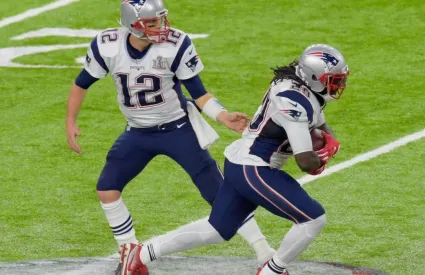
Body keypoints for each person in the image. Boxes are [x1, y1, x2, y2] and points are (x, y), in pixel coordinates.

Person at [65, 0, 276, 274]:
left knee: (219, 193)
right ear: (133, 24)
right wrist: (70, 121)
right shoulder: (108, 45)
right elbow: (82, 82)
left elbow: (198, 92)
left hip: (178, 128)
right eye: (152, 23)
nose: (161, 27)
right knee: (107, 188)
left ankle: (264, 251)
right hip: (137, 132)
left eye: (161, 20)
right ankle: (130, 253)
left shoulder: (176, 44)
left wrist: (222, 116)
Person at [122, 43, 349, 274]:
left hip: (242, 163)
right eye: (334, 79)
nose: (340, 85)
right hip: (255, 167)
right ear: (313, 76)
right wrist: (322, 155)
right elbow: (305, 161)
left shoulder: (299, 86)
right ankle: (272, 271)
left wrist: (327, 142)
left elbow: (322, 127)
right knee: (313, 219)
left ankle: (141, 253)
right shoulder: (293, 100)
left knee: (217, 229)